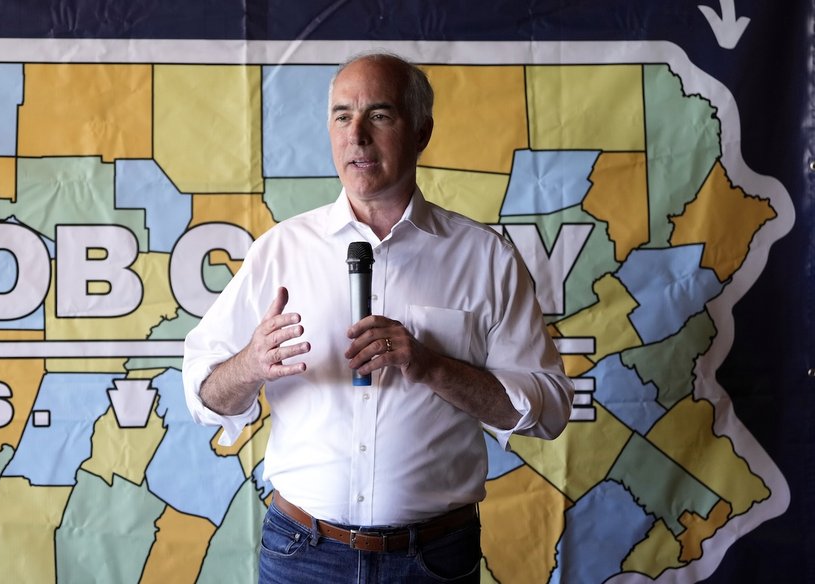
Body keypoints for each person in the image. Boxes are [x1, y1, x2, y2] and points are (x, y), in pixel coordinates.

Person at [182, 52, 573, 583]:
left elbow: (548, 410)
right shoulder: (279, 253)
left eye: (380, 115)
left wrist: (433, 367)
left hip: (432, 560)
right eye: (342, 116)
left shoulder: (486, 259)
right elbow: (204, 394)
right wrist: (249, 364)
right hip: (302, 555)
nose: (357, 135)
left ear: (422, 132)